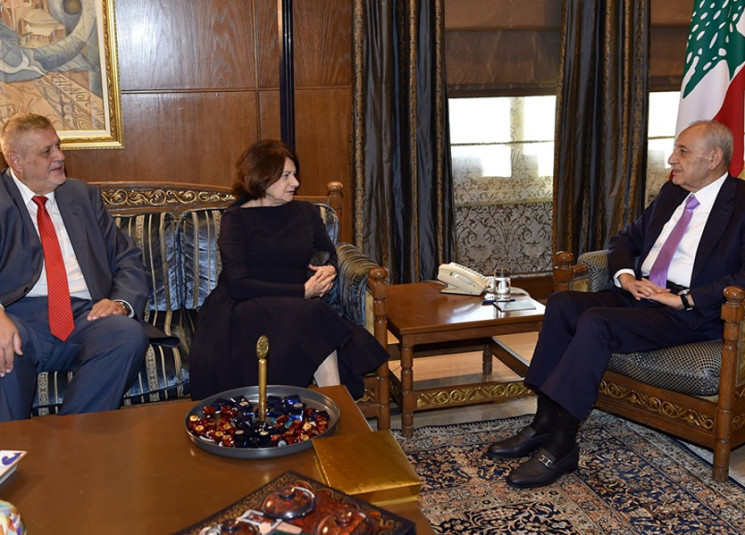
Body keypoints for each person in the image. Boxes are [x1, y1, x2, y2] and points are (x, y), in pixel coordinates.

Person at [486, 119, 745, 488]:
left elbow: (742, 276)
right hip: (641, 294)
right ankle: (543, 422)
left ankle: (562, 444)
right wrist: (625, 276)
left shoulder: (740, 204)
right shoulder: (672, 193)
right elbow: (625, 239)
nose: (671, 159)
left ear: (714, 158)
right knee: (561, 304)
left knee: (596, 322)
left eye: (683, 151)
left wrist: (683, 298)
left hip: (688, 313)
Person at [189, 139, 388, 400]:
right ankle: (336, 405)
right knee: (314, 317)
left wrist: (329, 269)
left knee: (311, 317)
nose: (295, 183)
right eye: (285, 176)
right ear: (262, 178)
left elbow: (329, 253)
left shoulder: (306, 212)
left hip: (296, 308)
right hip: (244, 307)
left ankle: (332, 404)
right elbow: (238, 284)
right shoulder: (236, 219)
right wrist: (302, 291)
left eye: (295, 174)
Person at [0, 113, 149, 421]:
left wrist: (121, 303)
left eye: (58, 146)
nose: (60, 156)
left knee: (127, 335)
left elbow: (127, 259)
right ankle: (10, 445)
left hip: (84, 314)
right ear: (16, 161)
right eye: (47, 151)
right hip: (18, 317)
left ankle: (74, 440)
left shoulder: (82, 195)